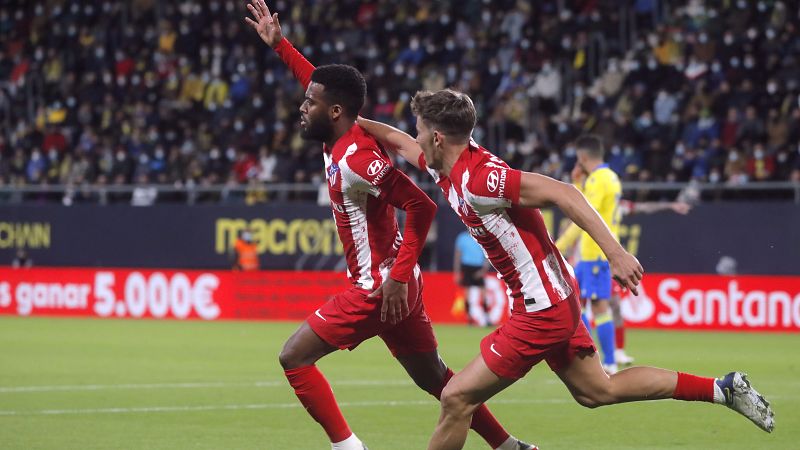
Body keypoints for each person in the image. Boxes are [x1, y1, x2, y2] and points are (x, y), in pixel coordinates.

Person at [357, 89, 774, 450]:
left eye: (420, 131)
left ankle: (508, 446)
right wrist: (351, 123)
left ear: (437, 137)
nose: (414, 138)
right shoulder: (445, 163)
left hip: (542, 310)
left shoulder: (482, 180)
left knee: (456, 397)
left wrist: (615, 254)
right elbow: (399, 142)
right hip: (554, 297)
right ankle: (722, 389)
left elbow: (566, 193)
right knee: (597, 391)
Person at [244, 3, 536, 450]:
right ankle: (509, 447)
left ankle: (349, 447)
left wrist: (396, 277)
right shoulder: (337, 130)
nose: (302, 106)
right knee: (435, 378)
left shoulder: (358, 159)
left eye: (309, 103)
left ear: (335, 111)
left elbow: (421, 206)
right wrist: (280, 45)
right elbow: (318, 84)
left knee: (294, 358)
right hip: (398, 282)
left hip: (378, 286)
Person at [556, 168, 692, 366]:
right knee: (586, 308)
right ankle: (597, 353)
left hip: (600, 261)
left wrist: (670, 205)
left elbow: (642, 207)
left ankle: (612, 353)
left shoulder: (609, 207)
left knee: (608, 306)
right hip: (587, 262)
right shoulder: (583, 208)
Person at [453, 230, 493, 326]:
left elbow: (488, 254)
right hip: (467, 267)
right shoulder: (462, 237)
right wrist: (457, 272)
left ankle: (487, 318)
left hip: (478, 267)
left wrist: (483, 270)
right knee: (467, 294)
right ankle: (469, 318)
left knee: (484, 294)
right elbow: (457, 256)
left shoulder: (481, 237)